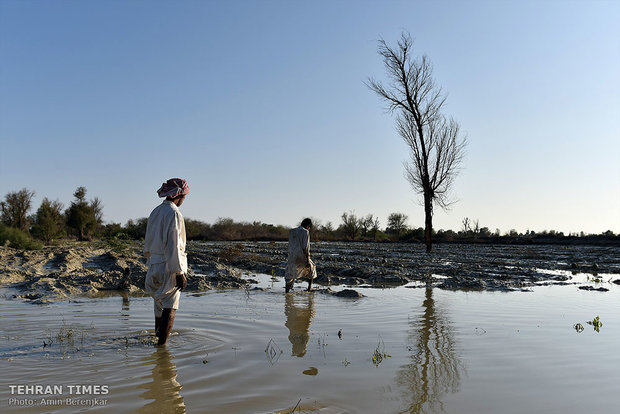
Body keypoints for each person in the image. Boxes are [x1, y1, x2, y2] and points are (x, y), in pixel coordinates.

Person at [144, 178, 189, 346]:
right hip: (169, 265)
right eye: (184, 196)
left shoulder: (155, 212)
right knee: (170, 307)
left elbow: (148, 242)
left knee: (158, 305)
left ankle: (157, 340)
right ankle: (161, 349)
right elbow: (174, 245)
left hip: (154, 264)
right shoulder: (174, 213)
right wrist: (178, 272)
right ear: (180, 195)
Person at [284, 218, 317, 293]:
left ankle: (287, 290)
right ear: (308, 226)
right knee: (312, 268)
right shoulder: (305, 232)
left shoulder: (292, 231)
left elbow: (290, 244)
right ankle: (309, 288)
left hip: (292, 254)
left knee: (290, 271)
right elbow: (306, 247)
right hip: (301, 254)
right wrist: (308, 259)